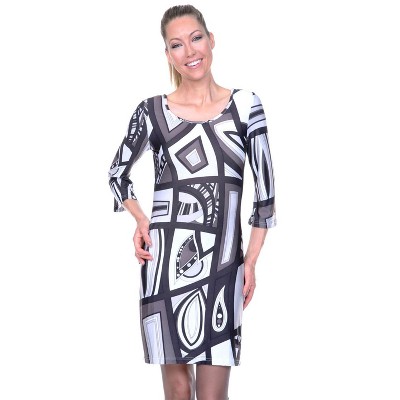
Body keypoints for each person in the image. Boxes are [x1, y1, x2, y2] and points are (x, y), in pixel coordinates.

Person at [108, 4, 276, 400]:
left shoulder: (246, 106)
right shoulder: (152, 112)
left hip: (223, 267)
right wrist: (141, 220)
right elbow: (117, 174)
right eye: (177, 45)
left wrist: (250, 262)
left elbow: (265, 195)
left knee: (214, 395)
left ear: (211, 40)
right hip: (165, 266)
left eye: (196, 38)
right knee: (178, 391)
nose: (189, 51)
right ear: (168, 55)